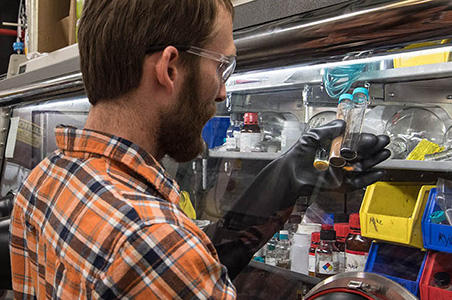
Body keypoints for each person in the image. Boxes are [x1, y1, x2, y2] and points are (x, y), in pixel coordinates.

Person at [9, 0, 390, 299]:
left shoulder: (49, 178)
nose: (223, 91)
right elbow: (168, 256)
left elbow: (179, 261)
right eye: (222, 66)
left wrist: (284, 180)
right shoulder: (157, 242)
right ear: (170, 68)